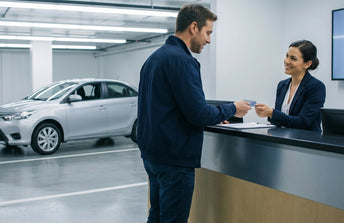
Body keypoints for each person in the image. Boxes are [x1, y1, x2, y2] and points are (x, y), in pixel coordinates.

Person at [137, 4, 251, 223]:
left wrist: (217, 114)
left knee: (157, 216)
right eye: (208, 33)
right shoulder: (183, 61)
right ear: (193, 27)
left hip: (153, 156)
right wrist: (233, 108)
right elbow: (198, 114)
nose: (209, 40)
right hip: (175, 161)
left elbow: (168, 107)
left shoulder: (153, 59)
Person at [255, 40, 326, 131]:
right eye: (287, 56)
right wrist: (268, 113)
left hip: (305, 142)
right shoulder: (282, 85)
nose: (286, 61)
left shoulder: (316, 87)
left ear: (307, 64)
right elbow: (279, 120)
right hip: (283, 139)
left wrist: (272, 113)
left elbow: (304, 122)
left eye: (293, 58)